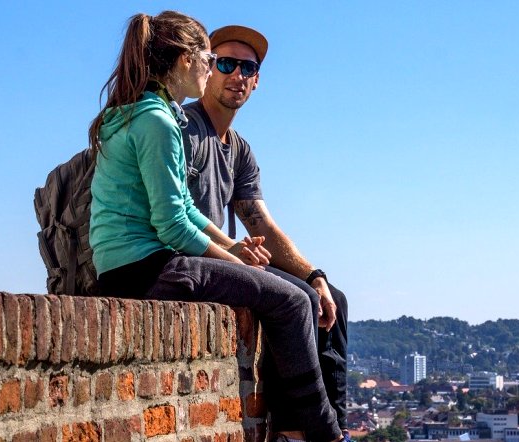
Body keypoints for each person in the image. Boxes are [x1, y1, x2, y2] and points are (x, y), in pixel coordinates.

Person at [87, 11, 341, 442]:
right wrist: (239, 265)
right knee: (295, 303)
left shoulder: (150, 112)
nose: (212, 68)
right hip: (148, 268)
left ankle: (309, 430)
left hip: (138, 264)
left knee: (296, 294)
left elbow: (187, 208)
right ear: (186, 60)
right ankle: (324, 434)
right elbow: (172, 228)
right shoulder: (159, 122)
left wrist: (234, 251)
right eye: (211, 58)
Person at [182, 25, 349, 438]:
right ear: (206, 68)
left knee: (333, 300)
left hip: (227, 258)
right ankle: (294, 429)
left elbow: (262, 224)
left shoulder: (238, 150)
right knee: (296, 300)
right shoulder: (182, 130)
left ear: (256, 81)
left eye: (247, 67)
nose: (236, 74)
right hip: (193, 258)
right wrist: (236, 251)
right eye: (225, 63)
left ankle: (328, 426)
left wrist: (316, 274)